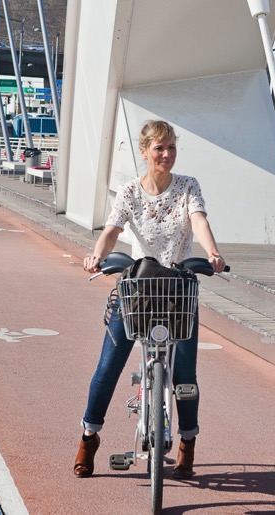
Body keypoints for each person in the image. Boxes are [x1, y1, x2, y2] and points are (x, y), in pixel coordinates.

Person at [74, 120, 227, 479]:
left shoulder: (188, 187)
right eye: (159, 148)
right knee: (107, 368)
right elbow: (111, 231)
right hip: (138, 290)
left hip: (177, 291)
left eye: (171, 147)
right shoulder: (129, 192)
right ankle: (88, 437)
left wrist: (213, 252)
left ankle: (187, 441)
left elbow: (199, 221)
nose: (167, 155)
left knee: (185, 374)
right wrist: (96, 254)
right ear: (144, 152)